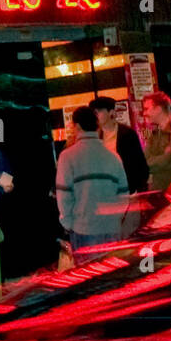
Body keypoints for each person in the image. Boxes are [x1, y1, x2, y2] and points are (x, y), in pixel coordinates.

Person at [55, 106, 129, 258]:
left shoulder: (67, 157)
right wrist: (115, 219)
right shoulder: (113, 157)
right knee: (112, 276)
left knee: (89, 276)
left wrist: (68, 224)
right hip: (112, 229)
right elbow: (124, 194)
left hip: (83, 229)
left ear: (77, 126)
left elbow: (64, 196)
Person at [89, 97, 148, 193]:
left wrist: (136, 187)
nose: (95, 116)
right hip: (104, 189)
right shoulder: (94, 136)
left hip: (126, 187)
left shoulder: (127, 134)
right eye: (93, 113)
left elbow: (139, 164)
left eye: (98, 112)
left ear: (111, 112)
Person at [143, 91, 171, 191]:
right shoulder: (154, 133)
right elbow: (144, 161)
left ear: (158, 109)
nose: (144, 113)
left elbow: (167, 161)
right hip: (158, 191)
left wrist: (152, 161)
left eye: (146, 109)